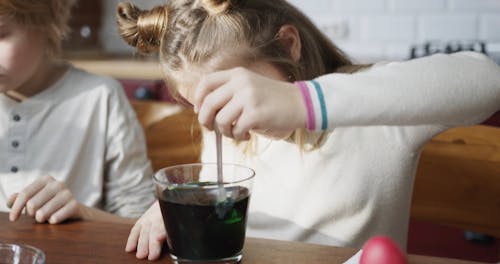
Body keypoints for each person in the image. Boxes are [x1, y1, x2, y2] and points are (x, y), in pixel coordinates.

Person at [116, 0, 500, 260]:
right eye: (200, 105)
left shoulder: (373, 114)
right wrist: (177, 211)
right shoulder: (225, 134)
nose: (221, 123)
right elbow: (224, 216)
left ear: (288, 45)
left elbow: (488, 80)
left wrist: (301, 102)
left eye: (231, 95)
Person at [0, 0, 155, 225]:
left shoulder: (100, 97)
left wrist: (83, 213)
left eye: (1, 35)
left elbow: (142, 223)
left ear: (47, 22)